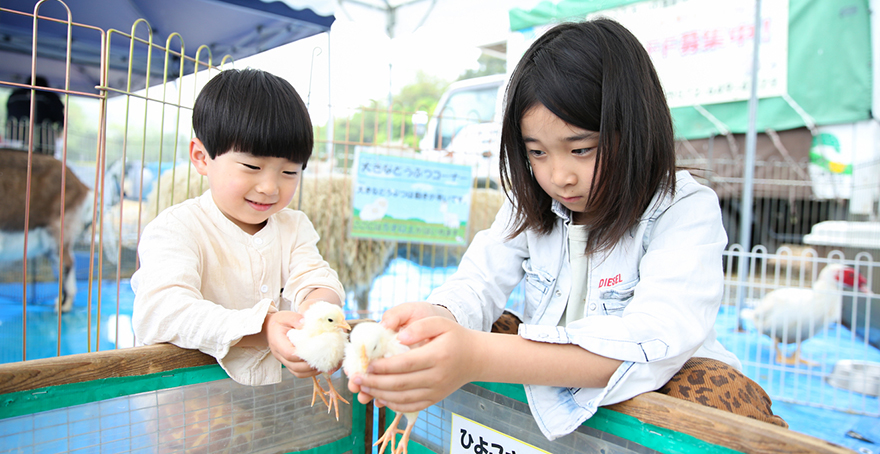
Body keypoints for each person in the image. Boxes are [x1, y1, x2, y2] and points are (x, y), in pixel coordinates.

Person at [348, 19, 782, 440]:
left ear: (634, 129)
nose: (559, 176)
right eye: (537, 152)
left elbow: (652, 340)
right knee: (476, 329)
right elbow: (478, 282)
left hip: (655, 391)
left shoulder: (683, 208)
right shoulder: (529, 202)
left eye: (581, 149)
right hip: (554, 384)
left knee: (721, 394)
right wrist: (439, 317)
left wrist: (477, 354)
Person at [131, 68, 345, 387]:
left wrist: (317, 314)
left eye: (289, 172)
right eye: (252, 167)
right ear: (201, 157)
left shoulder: (294, 227)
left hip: (273, 410)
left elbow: (313, 278)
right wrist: (263, 327)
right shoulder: (177, 228)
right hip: (190, 406)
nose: (270, 187)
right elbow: (162, 311)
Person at [5, 75, 65, 155]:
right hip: (42, 144)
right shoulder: (50, 97)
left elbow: (9, 115)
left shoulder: (14, 95)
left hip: (13, 142)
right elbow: (60, 119)